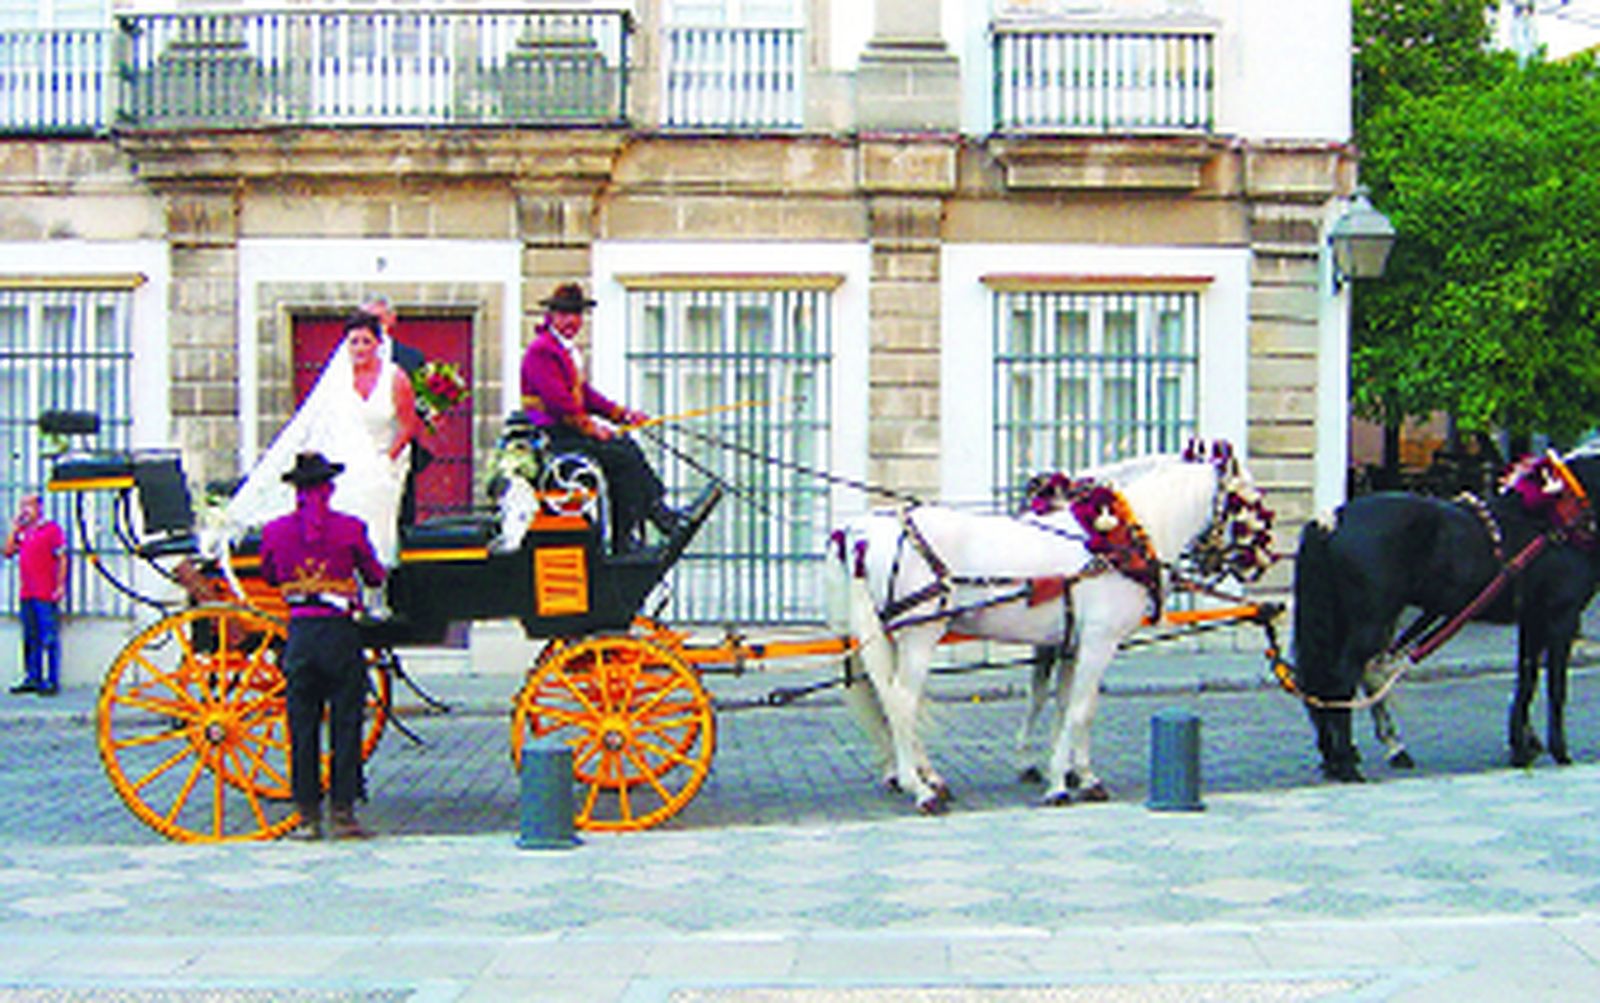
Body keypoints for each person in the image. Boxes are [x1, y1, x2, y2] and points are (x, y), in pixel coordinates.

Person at [226, 312, 423, 567]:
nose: (360, 348)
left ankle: (377, 568)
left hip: (384, 457)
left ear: (378, 344)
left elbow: (408, 425)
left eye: (366, 341)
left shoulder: (395, 378)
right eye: (354, 342)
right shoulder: (337, 381)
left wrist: (385, 460)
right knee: (339, 498)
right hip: (344, 457)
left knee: (375, 497)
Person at [259, 452, 386, 841]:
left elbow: (269, 574)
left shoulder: (275, 531)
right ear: (329, 489)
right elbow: (374, 575)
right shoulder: (350, 528)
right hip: (339, 634)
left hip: (301, 635)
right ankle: (343, 812)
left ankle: (308, 815)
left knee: (302, 727)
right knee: (346, 724)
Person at [520, 282, 684, 552]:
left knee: (625, 448)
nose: (571, 321)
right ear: (552, 316)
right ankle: (645, 523)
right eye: (564, 314)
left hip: (569, 430)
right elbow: (559, 403)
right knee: (622, 455)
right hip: (556, 435)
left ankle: (650, 515)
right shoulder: (543, 351)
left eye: (576, 314)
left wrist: (622, 415)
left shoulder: (564, 350)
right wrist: (591, 428)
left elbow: (584, 395)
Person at [360, 296, 433, 527]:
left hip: (400, 450)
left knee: (401, 517)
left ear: (391, 320)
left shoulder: (411, 358)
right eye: (367, 319)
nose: (373, 325)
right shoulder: (348, 360)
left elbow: (423, 404)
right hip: (360, 449)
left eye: (378, 319)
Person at [4, 494, 65, 696]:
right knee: (30, 637)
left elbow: (62, 558)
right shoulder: (23, 531)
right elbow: (8, 552)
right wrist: (15, 528)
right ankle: (33, 677)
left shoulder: (51, 529)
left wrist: (60, 586)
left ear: (39, 507)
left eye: (28, 505)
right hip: (27, 592)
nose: (25, 510)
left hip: (45, 592)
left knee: (49, 637)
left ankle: (52, 680)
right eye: (22, 505)